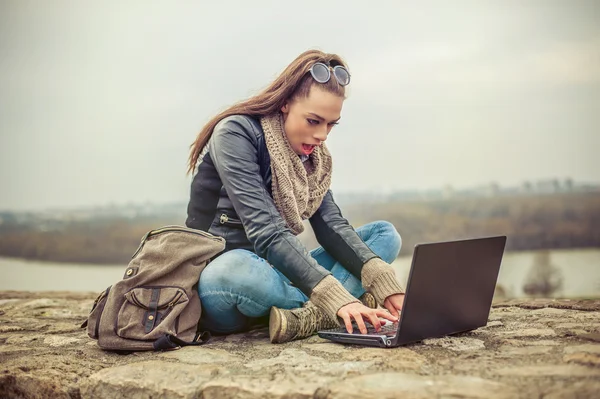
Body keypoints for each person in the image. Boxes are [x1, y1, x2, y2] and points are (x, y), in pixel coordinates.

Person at [185, 49, 405, 344]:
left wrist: (387, 286)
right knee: (233, 268)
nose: (323, 135)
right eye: (314, 121)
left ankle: (303, 315)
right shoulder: (235, 133)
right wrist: (337, 296)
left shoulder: (311, 157)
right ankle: (333, 308)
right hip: (230, 280)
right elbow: (267, 232)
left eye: (330, 124)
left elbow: (332, 227)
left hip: (281, 274)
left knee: (384, 235)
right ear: (285, 103)